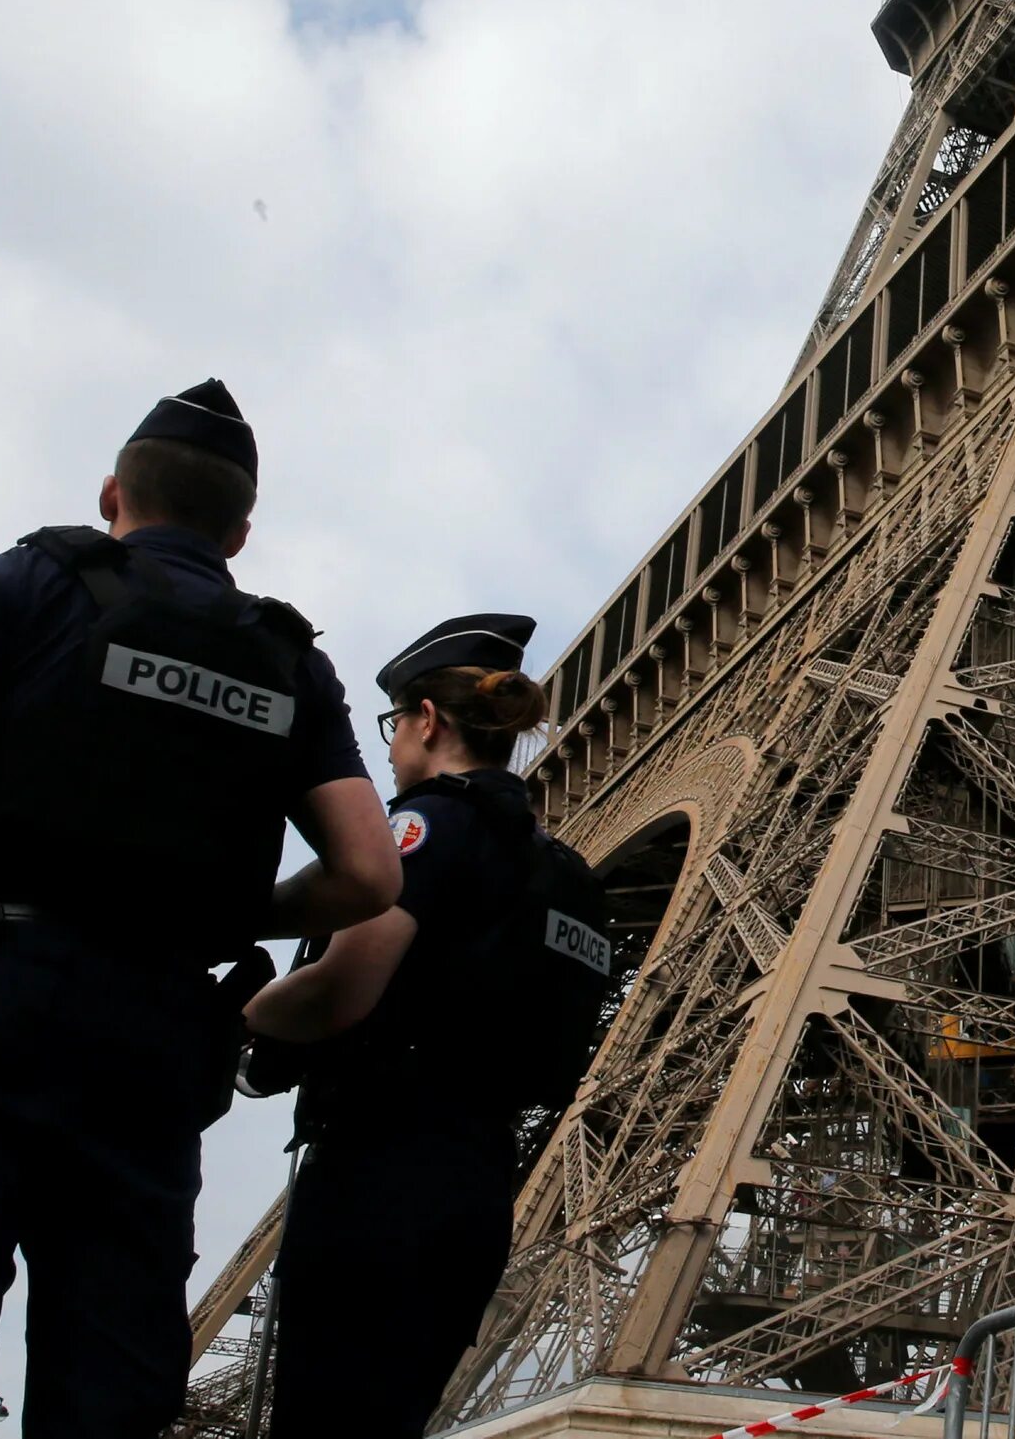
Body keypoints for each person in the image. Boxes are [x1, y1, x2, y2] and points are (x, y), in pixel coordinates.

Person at [0, 379, 403, 1438]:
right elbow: (368, 874)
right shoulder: (289, 660)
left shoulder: (41, 580)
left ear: (111, 493)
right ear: (240, 533)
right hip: (156, 1032)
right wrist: (230, 913)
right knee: (112, 1376)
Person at [244, 612, 615, 1439]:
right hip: (480, 1186)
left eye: (394, 724)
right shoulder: (565, 873)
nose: (389, 746)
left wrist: (243, 1017)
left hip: (380, 1167)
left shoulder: (426, 828)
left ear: (428, 720)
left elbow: (342, 988)